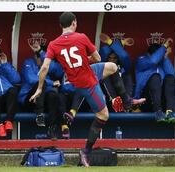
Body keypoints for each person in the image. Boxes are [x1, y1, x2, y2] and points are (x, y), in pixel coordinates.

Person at [29, 12, 142, 167]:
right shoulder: (81, 37)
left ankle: (127, 101)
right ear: (74, 23)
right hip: (86, 82)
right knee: (104, 116)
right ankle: (86, 151)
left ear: (60, 25)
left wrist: (40, 88)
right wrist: (85, 59)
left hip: (84, 74)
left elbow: (44, 68)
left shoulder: (53, 44)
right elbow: (97, 58)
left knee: (113, 67)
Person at [18, 41, 62, 139]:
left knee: (53, 95)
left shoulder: (48, 67)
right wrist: (51, 82)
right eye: (37, 56)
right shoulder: (28, 62)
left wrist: (42, 55)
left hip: (42, 101)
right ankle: (39, 114)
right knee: (42, 82)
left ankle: (52, 128)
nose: (39, 59)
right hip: (29, 101)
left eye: (43, 58)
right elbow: (31, 79)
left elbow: (57, 70)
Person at [134, 40, 175, 123]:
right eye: (159, 55)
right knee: (155, 77)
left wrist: (165, 57)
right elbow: (153, 61)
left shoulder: (162, 62)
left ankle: (169, 111)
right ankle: (158, 112)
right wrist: (164, 47)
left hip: (162, 101)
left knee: (169, 77)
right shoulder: (142, 60)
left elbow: (172, 75)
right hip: (145, 100)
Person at [98, 33, 135, 112]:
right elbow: (103, 52)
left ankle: (127, 105)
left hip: (123, 99)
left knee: (127, 76)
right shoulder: (103, 66)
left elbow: (124, 56)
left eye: (114, 58)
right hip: (108, 101)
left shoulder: (124, 66)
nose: (111, 60)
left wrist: (110, 42)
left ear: (118, 59)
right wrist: (120, 43)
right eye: (109, 58)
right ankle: (116, 103)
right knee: (104, 77)